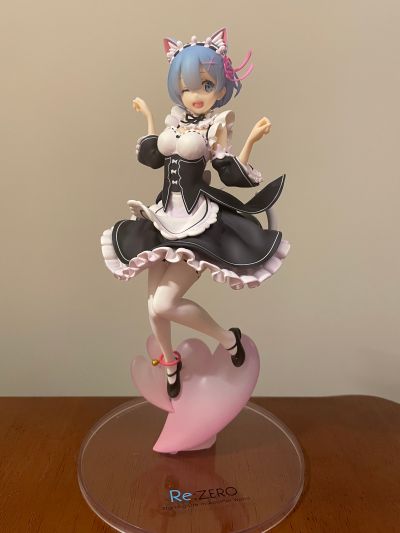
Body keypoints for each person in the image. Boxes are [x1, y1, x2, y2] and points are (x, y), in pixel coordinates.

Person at [100, 28, 290, 399]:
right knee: (153, 306)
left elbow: (229, 171)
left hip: (197, 223)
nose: (196, 94)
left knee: (165, 302)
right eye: (187, 87)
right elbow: (153, 157)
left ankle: (227, 338)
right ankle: (170, 363)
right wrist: (149, 120)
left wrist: (250, 142)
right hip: (162, 217)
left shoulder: (214, 126)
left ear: (220, 88)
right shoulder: (175, 122)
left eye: (206, 85)